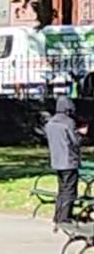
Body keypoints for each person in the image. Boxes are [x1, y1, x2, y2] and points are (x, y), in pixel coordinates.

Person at [45, 93, 84, 226]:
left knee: (61, 189)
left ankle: (58, 215)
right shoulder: (68, 123)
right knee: (70, 190)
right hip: (69, 161)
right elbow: (75, 141)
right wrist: (81, 133)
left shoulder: (50, 123)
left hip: (57, 161)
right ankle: (65, 217)